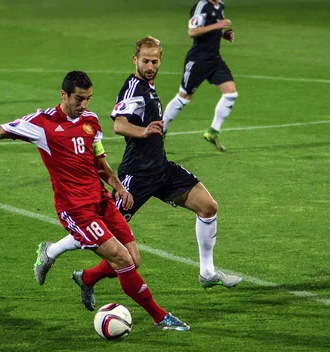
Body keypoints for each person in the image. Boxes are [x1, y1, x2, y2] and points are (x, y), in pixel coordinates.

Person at [0, 70, 190, 331]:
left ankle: (86, 279)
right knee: (122, 259)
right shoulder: (42, 123)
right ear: (63, 95)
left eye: (88, 99)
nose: (84, 105)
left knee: (133, 258)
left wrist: (119, 186)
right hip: (76, 210)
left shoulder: (91, 121)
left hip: (101, 200)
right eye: (78, 99)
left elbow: (99, 163)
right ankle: (160, 317)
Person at [36, 38, 241, 303]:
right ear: (135, 60)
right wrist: (143, 131)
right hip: (137, 176)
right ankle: (51, 252)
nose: (150, 65)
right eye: (145, 60)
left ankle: (207, 272)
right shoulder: (133, 87)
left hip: (162, 169)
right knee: (101, 230)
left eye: (155, 61)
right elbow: (119, 125)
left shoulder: (149, 87)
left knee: (208, 207)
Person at [162, 0, 238, 152]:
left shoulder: (220, 5)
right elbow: (192, 31)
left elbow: (210, 31)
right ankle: (160, 132)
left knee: (231, 93)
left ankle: (212, 133)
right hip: (198, 60)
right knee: (183, 98)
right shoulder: (202, 6)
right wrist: (217, 26)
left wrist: (223, 34)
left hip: (214, 59)